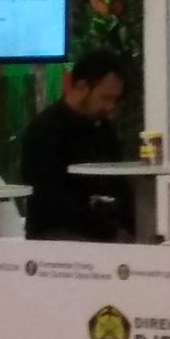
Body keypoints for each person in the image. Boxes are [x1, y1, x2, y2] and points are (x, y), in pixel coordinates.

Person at [18, 48, 135, 241]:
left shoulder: (104, 129)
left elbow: (119, 184)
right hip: (55, 232)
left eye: (115, 100)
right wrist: (109, 232)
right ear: (82, 87)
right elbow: (52, 199)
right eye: (105, 98)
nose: (110, 107)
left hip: (99, 228)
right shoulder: (45, 130)